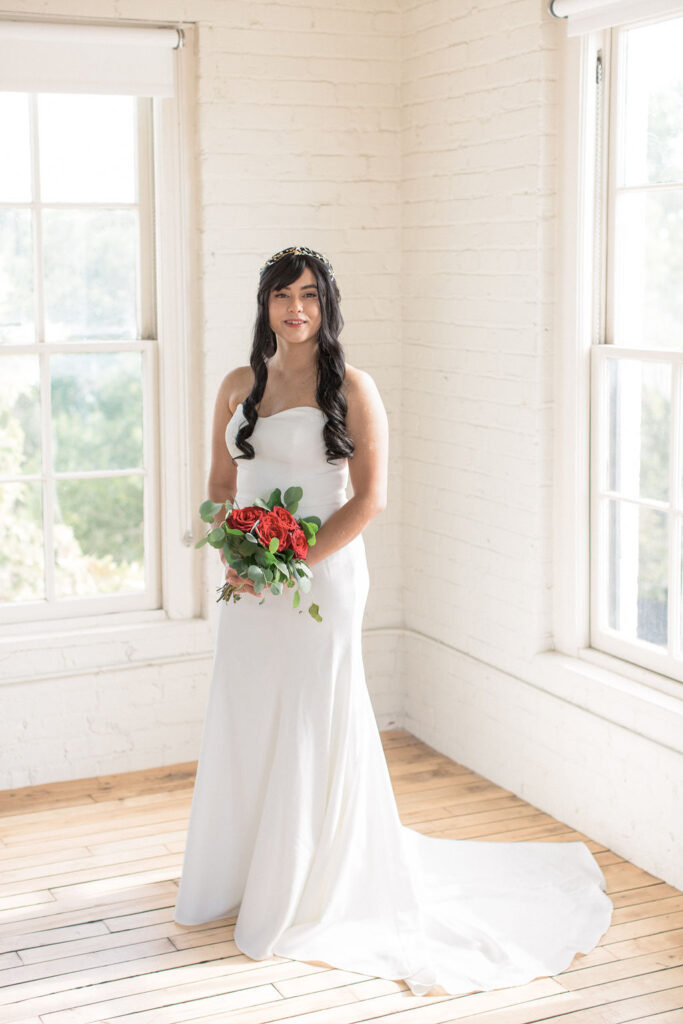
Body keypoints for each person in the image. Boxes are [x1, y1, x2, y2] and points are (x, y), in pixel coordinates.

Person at [174, 245, 613, 997]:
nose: (296, 310)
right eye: (282, 296)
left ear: (326, 305)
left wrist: (293, 555)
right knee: (247, 708)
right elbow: (220, 482)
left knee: (315, 712)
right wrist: (235, 552)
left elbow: (369, 498)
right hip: (250, 580)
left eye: (309, 296)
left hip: (323, 577)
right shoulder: (237, 385)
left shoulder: (353, 386)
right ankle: (248, 864)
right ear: (265, 304)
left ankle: (315, 879)